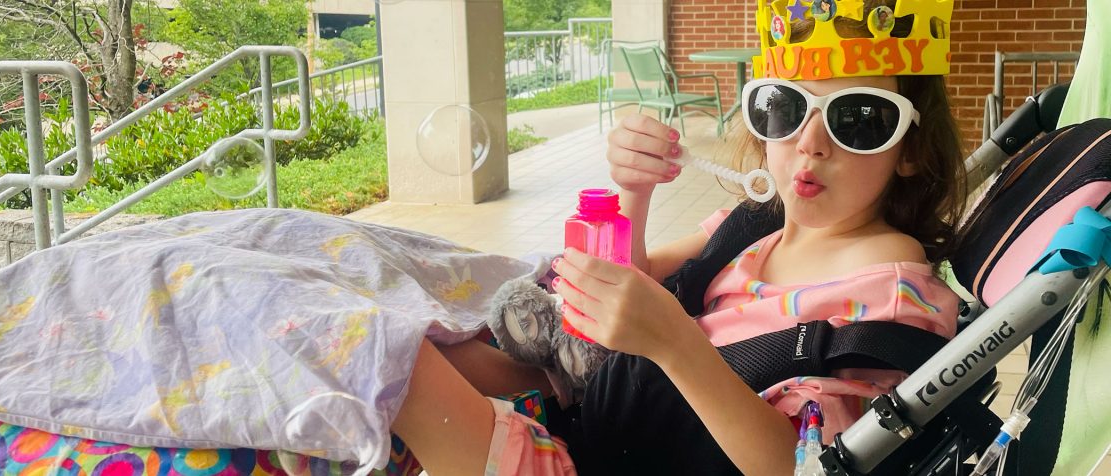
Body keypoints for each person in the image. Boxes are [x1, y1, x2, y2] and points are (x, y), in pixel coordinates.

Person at [389, 0, 968, 474]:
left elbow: (809, 466)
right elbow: (632, 280)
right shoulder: (757, 227)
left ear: (912, 149)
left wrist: (675, 343)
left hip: (613, 456)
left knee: (391, 362)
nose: (809, 143)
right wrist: (635, 192)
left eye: (859, 118)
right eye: (784, 107)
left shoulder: (888, 300)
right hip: (605, 410)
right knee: (427, 341)